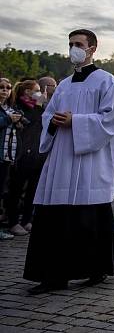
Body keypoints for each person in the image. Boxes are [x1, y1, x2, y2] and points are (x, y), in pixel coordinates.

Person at [24, 29, 114, 293]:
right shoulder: (64, 84)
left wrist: (75, 121)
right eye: (70, 44)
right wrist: (54, 122)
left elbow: (111, 121)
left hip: (89, 160)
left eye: (78, 44)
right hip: (61, 159)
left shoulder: (107, 82)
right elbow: (47, 116)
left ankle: (96, 269)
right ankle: (52, 275)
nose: (73, 49)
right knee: (54, 218)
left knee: (87, 214)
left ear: (92, 48)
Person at [6, 80, 46, 237]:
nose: (41, 93)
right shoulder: (18, 107)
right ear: (28, 92)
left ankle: (27, 219)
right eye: (37, 90)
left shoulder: (38, 108)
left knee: (32, 190)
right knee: (16, 190)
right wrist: (39, 105)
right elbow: (29, 122)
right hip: (21, 155)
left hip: (36, 155)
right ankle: (13, 221)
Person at [0, 77, 22, 241]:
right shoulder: (5, 113)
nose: (5, 90)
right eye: (1, 87)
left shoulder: (9, 108)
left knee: (2, 193)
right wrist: (8, 119)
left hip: (7, 157)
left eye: (8, 87)